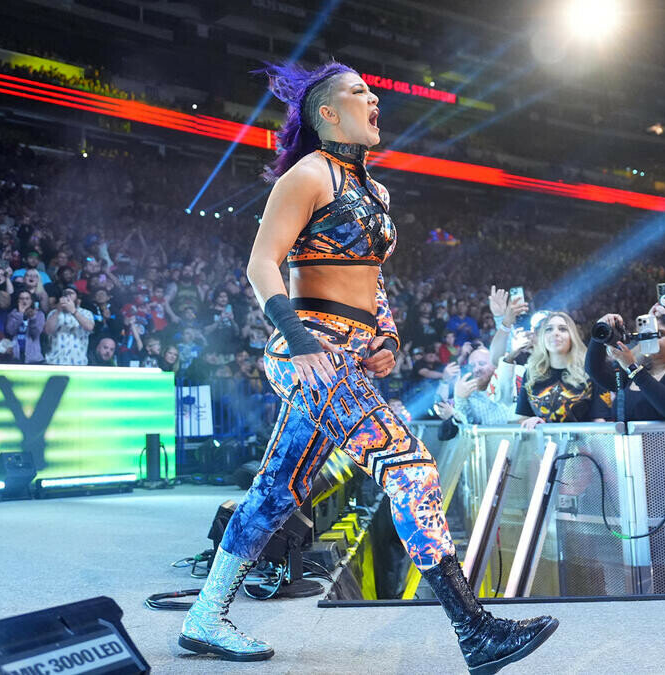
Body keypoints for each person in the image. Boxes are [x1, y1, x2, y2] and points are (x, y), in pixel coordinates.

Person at [179, 61, 556, 672]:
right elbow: (260, 264)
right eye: (359, 91)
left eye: (374, 90)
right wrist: (299, 340)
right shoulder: (308, 174)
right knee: (410, 467)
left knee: (277, 491)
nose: (374, 97)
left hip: (349, 351)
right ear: (328, 113)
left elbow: (372, 282)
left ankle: (204, 616)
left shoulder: (376, 193)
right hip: (310, 350)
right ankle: (475, 630)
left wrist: (387, 335)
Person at [586, 313, 665, 421]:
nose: (652, 339)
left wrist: (633, 368)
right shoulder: (635, 373)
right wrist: (601, 330)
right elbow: (595, 371)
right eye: (648, 334)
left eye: (660, 334)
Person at [517, 312, 605, 428]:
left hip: (582, 439)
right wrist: (532, 420)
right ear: (543, 337)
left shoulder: (591, 373)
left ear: (572, 336)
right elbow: (523, 418)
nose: (555, 333)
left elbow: (600, 422)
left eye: (563, 329)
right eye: (549, 329)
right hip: (543, 439)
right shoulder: (531, 373)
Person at [44, 287, 94, 366]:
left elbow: (89, 327)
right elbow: (48, 331)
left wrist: (73, 311)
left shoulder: (86, 313)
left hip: (78, 362)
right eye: (65, 294)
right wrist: (58, 310)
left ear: (77, 298)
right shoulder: (53, 313)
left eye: (71, 293)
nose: (67, 296)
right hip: (55, 361)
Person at [5, 289, 46, 364]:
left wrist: (32, 318)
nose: (24, 301)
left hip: (33, 357)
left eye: (27, 298)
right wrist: (20, 314)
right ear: (18, 300)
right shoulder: (13, 314)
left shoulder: (39, 314)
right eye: (22, 298)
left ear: (31, 301)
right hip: (16, 356)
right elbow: (10, 331)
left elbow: (35, 334)